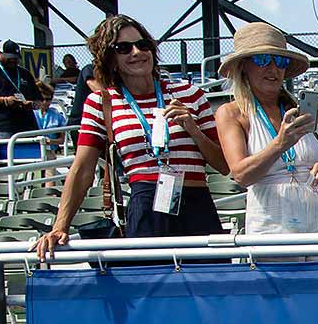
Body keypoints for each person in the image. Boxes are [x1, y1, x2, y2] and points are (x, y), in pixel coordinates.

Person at [33, 16, 226, 260]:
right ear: (109, 59)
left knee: (212, 288)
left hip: (197, 202)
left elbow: (223, 164)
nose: (137, 52)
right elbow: (82, 168)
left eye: (142, 44)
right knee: (149, 293)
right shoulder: (101, 103)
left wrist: (193, 129)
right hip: (145, 205)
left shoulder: (189, 93)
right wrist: (60, 226)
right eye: (123, 48)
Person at [215, 22, 318, 235]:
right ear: (243, 66)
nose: (273, 69)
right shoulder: (231, 113)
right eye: (263, 59)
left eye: (281, 61)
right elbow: (241, 175)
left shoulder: (308, 111)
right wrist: (280, 144)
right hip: (272, 226)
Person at [0, 40, 49, 164]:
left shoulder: (25, 73)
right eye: (9, 57)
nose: (13, 61)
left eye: (16, 58)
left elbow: (39, 101)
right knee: (7, 164)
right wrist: (4, 100)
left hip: (27, 125)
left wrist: (31, 104)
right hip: (4, 125)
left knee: (31, 163)